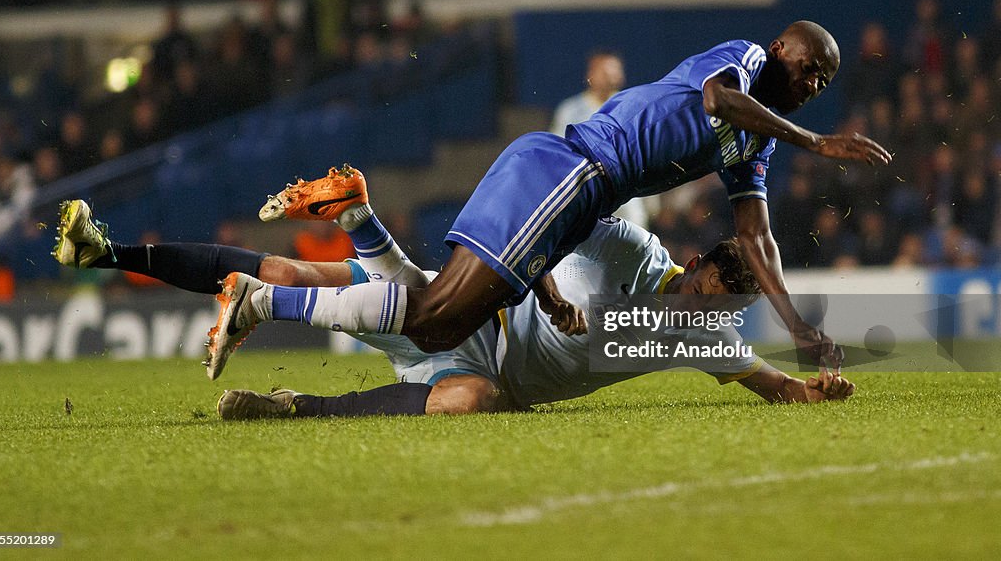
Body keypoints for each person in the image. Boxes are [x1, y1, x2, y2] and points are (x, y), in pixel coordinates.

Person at [245, 22, 890, 372]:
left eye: (823, 79)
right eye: (809, 66)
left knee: (440, 319)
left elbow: (757, 241)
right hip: (575, 170)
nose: (812, 82)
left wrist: (800, 328)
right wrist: (819, 142)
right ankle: (263, 297)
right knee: (439, 318)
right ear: (781, 48)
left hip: (581, 194)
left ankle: (351, 218)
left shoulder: (757, 145)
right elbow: (719, 101)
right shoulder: (743, 61)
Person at [50, 191, 854, 418]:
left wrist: (810, 389)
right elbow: (544, 219)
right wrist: (541, 288)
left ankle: (290, 405)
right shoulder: (628, 250)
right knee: (299, 274)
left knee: (469, 399)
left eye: (740, 298)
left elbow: (765, 381)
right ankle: (114, 254)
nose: (724, 304)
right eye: (727, 283)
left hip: (468, 359)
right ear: (701, 262)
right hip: (469, 314)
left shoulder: (685, 333)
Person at [550, 51, 648, 227]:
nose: (610, 77)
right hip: (587, 190)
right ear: (591, 74)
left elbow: (644, 150)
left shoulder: (631, 104)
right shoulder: (570, 109)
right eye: (605, 72)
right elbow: (559, 155)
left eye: (615, 71)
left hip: (626, 187)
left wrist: (652, 200)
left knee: (636, 243)